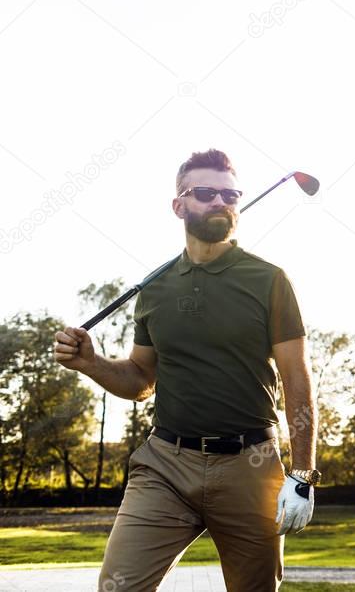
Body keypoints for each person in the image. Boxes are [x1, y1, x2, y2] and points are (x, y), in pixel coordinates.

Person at [54, 149, 319, 591]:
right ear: (179, 204)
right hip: (165, 466)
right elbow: (141, 380)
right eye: (205, 192)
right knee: (118, 586)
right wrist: (91, 363)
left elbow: (297, 379)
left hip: (250, 467)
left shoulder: (270, 280)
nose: (220, 202)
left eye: (230, 194)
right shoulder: (154, 289)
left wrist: (303, 473)